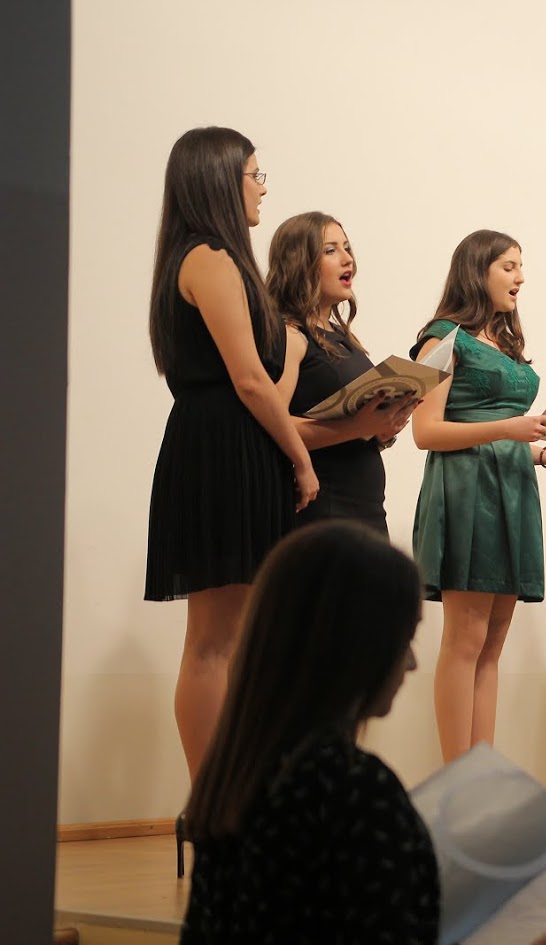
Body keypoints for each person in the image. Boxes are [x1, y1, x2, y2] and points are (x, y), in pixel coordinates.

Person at [180, 521, 546, 945]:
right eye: (403, 639)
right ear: (354, 646)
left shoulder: (232, 784)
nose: (412, 663)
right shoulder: (355, 793)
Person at [144, 126, 318, 783]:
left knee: (230, 637)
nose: (263, 188)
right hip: (222, 449)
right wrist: (300, 457)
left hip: (227, 445)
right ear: (220, 181)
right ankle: (213, 800)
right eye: (254, 175)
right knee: (214, 640)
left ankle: (228, 794)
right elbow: (248, 379)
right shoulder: (209, 257)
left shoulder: (199, 258)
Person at [410, 230, 546, 761]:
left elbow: (511, 434)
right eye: (509, 266)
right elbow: (425, 433)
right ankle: (456, 779)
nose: (520, 277)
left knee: (491, 645)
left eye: (520, 266)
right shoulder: (442, 338)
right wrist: (508, 428)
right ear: (477, 270)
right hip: (466, 490)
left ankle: (481, 774)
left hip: (513, 488)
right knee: (464, 640)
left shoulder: (504, 343)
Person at [269, 211, 416, 535]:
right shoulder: (291, 335)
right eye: (331, 250)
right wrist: (358, 426)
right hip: (323, 508)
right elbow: (271, 425)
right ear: (299, 263)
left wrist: (382, 429)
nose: (348, 259)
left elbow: (355, 428)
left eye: (347, 248)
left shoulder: (340, 335)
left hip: (365, 506)